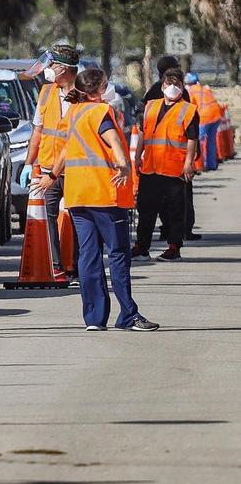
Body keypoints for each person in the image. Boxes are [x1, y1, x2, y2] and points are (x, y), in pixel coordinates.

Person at [41, 68, 158, 332]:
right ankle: (128, 315)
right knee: (118, 254)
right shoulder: (100, 112)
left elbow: (64, 151)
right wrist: (124, 166)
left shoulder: (73, 113)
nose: (109, 88)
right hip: (105, 195)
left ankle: (94, 318)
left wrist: (52, 175)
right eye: (105, 84)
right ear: (97, 90)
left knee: (89, 256)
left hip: (78, 196)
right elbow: (114, 140)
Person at [22, 44, 80, 276]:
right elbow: (38, 130)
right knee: (49, 217)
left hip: (76, 169)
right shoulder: (46, 92)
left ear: (63, 69)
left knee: (79, 221)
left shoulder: (84, 95)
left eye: (52, 65)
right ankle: (56, 265)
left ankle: (77, 266)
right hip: (48, 168)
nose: (49, 69)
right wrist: (29, 163)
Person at [132, 68, 198, 262]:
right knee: (145, 209)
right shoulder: (150, 106)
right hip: (151, 167)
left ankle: (174, 247)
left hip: (174, 169)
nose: (172, 88)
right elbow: (144, 134)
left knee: (174, 211)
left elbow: (192, 139)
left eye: (176, 84)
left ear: (182, 88)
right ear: (162, 86)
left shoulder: (188, 110)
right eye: (169, 84)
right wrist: (137, 157)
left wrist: (188, 164)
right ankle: (141, 247)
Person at [186, 72, 224, 171]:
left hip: (205, 115)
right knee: (211, 140)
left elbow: (189, 107)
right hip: (217, 113)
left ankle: (200, 164)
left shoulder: (191, 91)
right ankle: (212, 164)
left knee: (200, 141)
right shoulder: (204, 88)